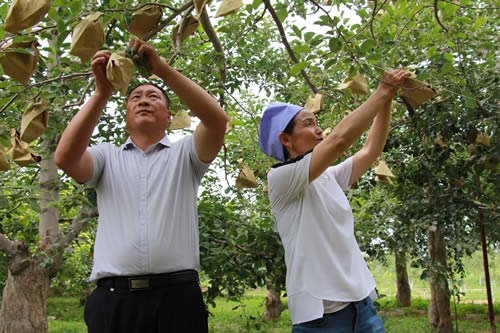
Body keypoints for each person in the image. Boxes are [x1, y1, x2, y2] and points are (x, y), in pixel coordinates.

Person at [54, 39, 227, 333]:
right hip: (113, 301)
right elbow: (65, 157)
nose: (144, 100)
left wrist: (160, 69)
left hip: (178, 299)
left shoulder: (186, 154)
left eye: (153, 96)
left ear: (170, 117)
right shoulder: (105, 156)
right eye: (135, 97)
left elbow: (216, 121)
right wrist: (101, 93)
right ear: (125, 117)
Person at [258, 69, 412, 332]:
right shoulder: (281, 179)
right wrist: (383, 90)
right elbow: (338, 140)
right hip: (322, 318)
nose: (318, 130)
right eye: (308, 124)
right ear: (286, 139)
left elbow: (371, 149)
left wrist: (387, 100)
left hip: (362, 308)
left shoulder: (328, 176)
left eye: (316, 123)